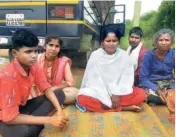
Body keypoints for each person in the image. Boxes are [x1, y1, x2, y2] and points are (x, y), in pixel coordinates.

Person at [0, 29, 69, 137]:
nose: (34, 56)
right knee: (24, 133)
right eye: (28, 52)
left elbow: (46, 88)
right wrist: (49, 120)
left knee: (59, 94)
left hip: (20, 108)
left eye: (36, 51)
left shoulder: (33, 65)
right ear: (15, 53)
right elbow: (9, 118)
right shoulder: (8, 76)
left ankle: (33, 122)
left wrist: (59, 110)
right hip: (4, 116)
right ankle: (34, 124)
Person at [76, 26, 146, 113]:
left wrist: (117, 94)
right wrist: (104, 94)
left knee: (141, 94)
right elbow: (92, 79)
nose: (111, 43)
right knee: (82, 99)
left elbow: (126, 79)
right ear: (102, 43)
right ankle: (122, 108)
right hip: (99, 91)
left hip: (119, 92)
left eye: (114, 41)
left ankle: (108, 107)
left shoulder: (124, 56)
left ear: (118, 42)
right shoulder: (96, 55)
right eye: (108, 41)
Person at [139, 29, 175, 124]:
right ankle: (160, 99)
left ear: (171, 42)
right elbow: (143, 78)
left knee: (172, 95)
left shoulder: (174, 55)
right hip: (152, 85)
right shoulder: (148, 56)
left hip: (169, 84)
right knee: (143, 95)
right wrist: (157, 90)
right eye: (161, 40)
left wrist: (172, 88)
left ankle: (163, 99)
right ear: (156, 42)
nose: (164, 43)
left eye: (167, 40)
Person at [30, 35, 79, 104]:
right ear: (45, 46)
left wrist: (54, 88)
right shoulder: (36, 59)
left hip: (55, 92)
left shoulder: (63, 61)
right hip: (38, 92)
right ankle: (48, 102)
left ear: (59, 48)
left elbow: (69, 82)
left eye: (57, 46)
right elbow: (31, 84)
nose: (53, 49)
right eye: (51, 45)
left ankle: (47, 102)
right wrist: (35, 101)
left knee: (76, 93)